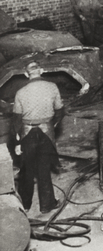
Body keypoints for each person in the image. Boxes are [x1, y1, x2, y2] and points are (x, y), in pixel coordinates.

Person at [13, 61, 64, 213]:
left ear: (26, 74)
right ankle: (47, 206)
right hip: (46, 132)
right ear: (41, 71)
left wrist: (17, 142)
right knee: (44, 168)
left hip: (27, 133)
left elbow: (16, 120)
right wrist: (51, 125)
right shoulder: (52, 87)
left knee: (26, 170)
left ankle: (25, 205)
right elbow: (60, 111)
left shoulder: (20, 92)